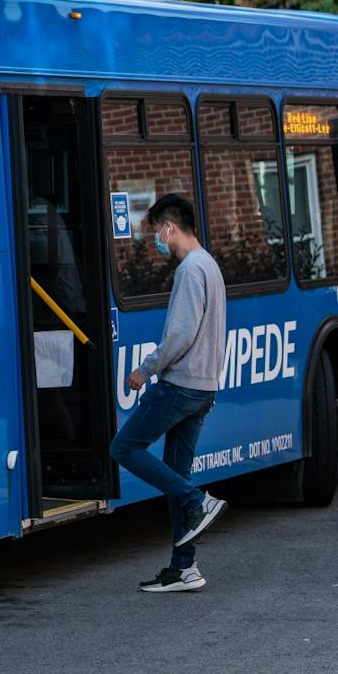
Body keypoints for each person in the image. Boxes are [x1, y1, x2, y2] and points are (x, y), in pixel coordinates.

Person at [110, 193, 228, 593]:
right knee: (176, 471)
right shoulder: (210, 265)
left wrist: (144, 371)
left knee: (124, 448)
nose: (157, 243)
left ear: (168, 228)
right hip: (204, 387)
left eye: (156, 233)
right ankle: (184, 568)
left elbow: (180, 334)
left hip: (181, 385)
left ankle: (197, 500)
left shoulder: (190, 270)